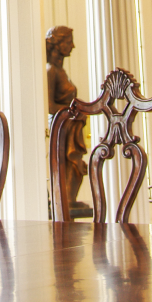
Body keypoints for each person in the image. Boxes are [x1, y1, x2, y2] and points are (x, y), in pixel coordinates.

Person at [46, 26, 90, 214]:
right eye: (68, 41)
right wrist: (73, 111)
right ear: (57, 44)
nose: (72, 46)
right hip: (61, 129)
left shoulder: (60, 70)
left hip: (70, 128)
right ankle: (64, 201)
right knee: (68, 165)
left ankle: (69, 201)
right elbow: (49, 106)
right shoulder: (51, 71)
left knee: (75, 167)